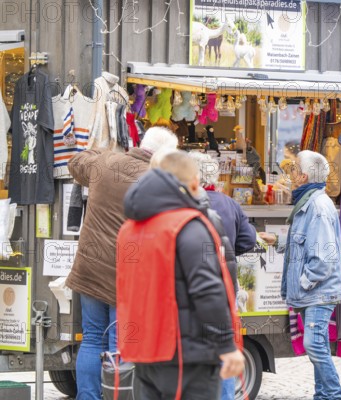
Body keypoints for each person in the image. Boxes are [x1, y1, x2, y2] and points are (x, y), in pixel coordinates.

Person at [119, 151, 245, 399]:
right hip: (187, 354)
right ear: (194, 183)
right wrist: (226, 345)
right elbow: (207, 289)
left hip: (145, 350)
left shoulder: (129, 228)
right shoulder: (187, 225)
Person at [65, 127, 179, 400]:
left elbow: (75, 163)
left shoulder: (106, 162)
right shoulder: (160, 182)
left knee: (92, 338)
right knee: (121, 343)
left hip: (91, 270)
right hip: (129, 279)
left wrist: (102, 152)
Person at [258, 150, 341, 400]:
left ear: (304, 176)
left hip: (318, 291)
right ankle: (324, 396)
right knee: (315, 344)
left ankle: (334, 395)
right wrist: (277, 241)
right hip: (315, 291)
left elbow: (322, 259)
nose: (291, 173)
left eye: (295, 169)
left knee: (314, 344)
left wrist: (304, 282)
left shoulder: (317, 205)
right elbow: (306, 243)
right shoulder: (310, 201)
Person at [189, 152, 257, 400]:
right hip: (226, 286)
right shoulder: (230, 203)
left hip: (193, 288)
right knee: (225, 348)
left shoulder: (184, 203)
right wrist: (228, 253)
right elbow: (249, 241)